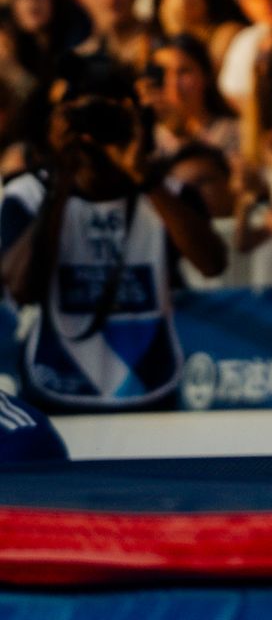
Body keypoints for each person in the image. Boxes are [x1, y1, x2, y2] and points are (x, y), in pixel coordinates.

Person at [0, 68, 226, 409]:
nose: (94, 132)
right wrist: (63, 179)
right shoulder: (29, 193)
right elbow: (20, 288)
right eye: (81, 118)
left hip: (149, 377)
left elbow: (211, 264)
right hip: (58, 377)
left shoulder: (169, 194)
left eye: (109, 117)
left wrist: (142, 176)